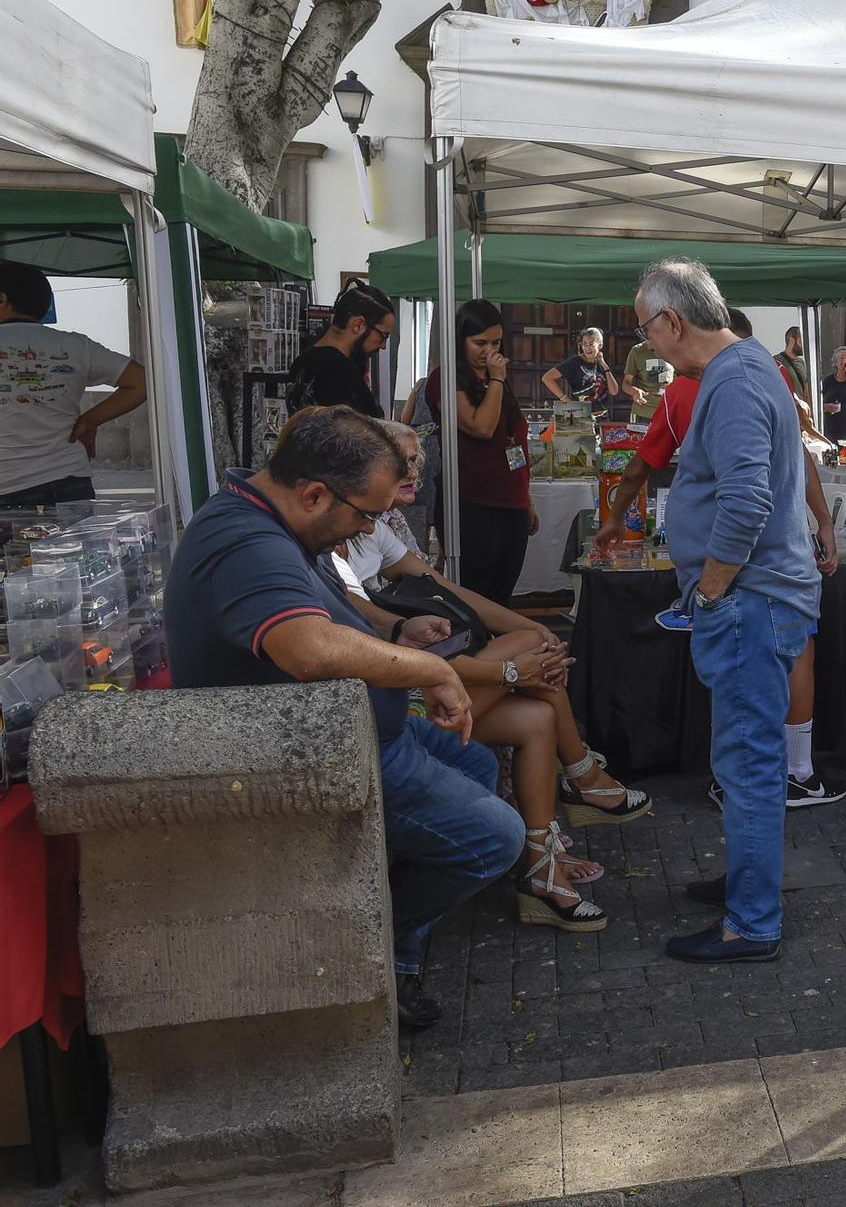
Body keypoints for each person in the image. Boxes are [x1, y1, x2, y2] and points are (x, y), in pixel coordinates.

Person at [165, 407, 523, 1029]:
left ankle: (399, 931)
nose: (369, 530)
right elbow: (309, 647)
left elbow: (335, 614)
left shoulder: (267, 513)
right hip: (309, 750)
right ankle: (375, 945)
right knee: (497, 839)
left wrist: (398, 628)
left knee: (472, 760)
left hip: (355, 726)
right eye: (367, 515)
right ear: (313, 493)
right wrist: (430, 671)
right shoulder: (246, 542)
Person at [338, 422, 650, 921]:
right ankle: (582, 778)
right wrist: (513, 668)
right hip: (405, 702)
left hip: (428, 681)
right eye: (404, 461)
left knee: (538, 711)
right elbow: (388, 644)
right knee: (534, 663)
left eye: (416, 460)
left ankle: (541, 868)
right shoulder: (332, 552)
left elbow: (445, 588)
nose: (414, 472)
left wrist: (534, 632)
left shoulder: (370, 529)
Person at [638, 260, 821, 964]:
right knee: (745, 756)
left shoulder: (737, 379)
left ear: (673, 321)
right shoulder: (744, 369)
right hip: (755, 597)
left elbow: (746, 501)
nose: (647, 341)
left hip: (748, 600)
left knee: (746, 760)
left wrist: (710, 589)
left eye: (646, 326)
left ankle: (752, 920)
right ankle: (750, 881)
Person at [600, 307, 846, 809]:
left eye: (654, 332)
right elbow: (797, 459)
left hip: (743, 573)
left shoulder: (710, 386)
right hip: (779, 560)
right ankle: (792, 769)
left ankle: (755, 779)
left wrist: (709, 589)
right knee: (787, 659)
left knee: (746, 694)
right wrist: (821, 521)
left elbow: (654, 472)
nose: (659, 348)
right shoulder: (766, 374)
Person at [0, 260, 148, 508]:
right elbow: (141, 381)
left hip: (6, 485)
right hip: (66, 482)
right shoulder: (76, 346)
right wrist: (90, 420)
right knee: (72, 549)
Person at [429, 300, 538, 604]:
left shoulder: (492, 380)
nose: (489, 351)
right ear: (460, 340)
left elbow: (511, 441)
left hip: (511, 502)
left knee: (501, 595)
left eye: (495, 343)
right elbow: (481, 427)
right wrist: (498, 380)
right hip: (473, 503)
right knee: (475, 598)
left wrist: (526, 500)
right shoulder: (447, 379)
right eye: (479, 343)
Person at [287, 280, 395, 416]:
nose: (383, 346)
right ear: (358, 325)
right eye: (383, 335)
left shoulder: (300, 363)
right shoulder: (341, 370)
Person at [541, 327, 619, 415]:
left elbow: (614, 391)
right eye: (584, 344)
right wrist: (564, 398)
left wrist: (604, 365)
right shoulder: (575, 361)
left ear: (600, 345)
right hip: (580, 415)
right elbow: (547, 378)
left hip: (602, 415)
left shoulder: (602, 364)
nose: (587, 348)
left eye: (591, 344)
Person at [624, 340, 670, 412]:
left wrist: (673, 386)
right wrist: (634, 391)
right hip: (644, 412)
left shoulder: (676, 348)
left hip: (669, 411)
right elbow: (626, 383)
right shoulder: (637, 350)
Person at [775, 325, 811, 400]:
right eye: (800, 342)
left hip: (800, 409)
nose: (803, 346)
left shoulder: (801, 363)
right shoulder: (776, 361)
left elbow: (806, 392)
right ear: (791, 340)